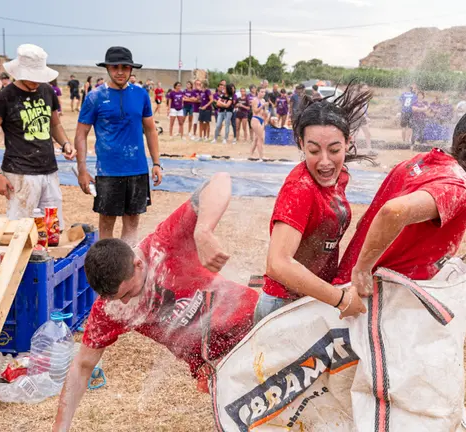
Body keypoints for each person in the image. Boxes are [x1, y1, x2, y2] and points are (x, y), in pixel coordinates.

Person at [52, 173, 259, 431]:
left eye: (128, 293)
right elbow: (81, 367)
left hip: (255, 326)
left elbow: (220, 180)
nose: (126, 302)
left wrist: (203, 230)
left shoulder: (164, 244)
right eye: (118, 298)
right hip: (217, 364)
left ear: (138, 264)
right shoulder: (111, 309)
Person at [336, 105, 466, 301]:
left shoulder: (423, 160)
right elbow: (392, 211)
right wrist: (363, 270)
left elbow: (366, 219)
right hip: (372, 296)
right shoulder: (458, 189)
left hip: (348, 284)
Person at [253, 85, 373, 323]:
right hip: (283, 306)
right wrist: (340, 299)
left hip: (312, 300)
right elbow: (277, 263)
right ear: (301, 144)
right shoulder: (301, 189)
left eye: (335, 150)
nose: (325, 162)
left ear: (348, 142)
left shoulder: (340, 176)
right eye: (314, 151)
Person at [75, 46, 163, 244]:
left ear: (132, 69)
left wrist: (156, 163)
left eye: (125, 67)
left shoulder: (141, 95)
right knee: (106, 224)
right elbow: (81, 133)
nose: (120, 72)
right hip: (108, 171)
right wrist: (82, 169)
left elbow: (150, 129)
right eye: (115, 67)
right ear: (107, 68)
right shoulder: (95, 97)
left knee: (132, 224)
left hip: (137, 169)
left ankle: (126, 270)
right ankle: (107, 270)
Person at [0, 44, 76, 222]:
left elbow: (54, 125)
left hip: (49, 169)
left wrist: (65, 143)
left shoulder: (47, 91)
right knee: (21, 228)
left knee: (52, 227)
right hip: (20, 173)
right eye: (31, 77)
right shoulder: (4, 98)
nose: (36, 82)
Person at [250, 88, 268, 161]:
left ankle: (251, 154)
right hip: (256, 119)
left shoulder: (263, 100)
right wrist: (262, 106)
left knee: (257, 138)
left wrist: (266, 111)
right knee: (260, 138)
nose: (263, 93)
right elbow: (255, 111)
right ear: (258, 92)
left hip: (261, 119)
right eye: (262, 92)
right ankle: (261, 156)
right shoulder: (255, 100)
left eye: (264, 92)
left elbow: (263, 112)